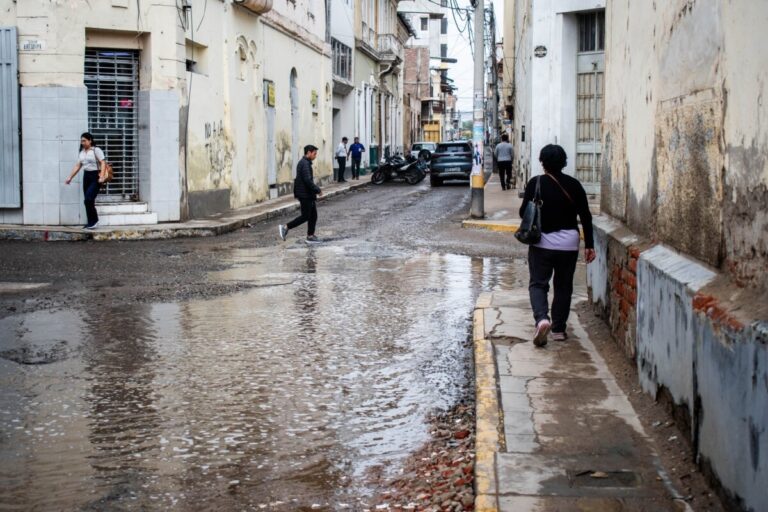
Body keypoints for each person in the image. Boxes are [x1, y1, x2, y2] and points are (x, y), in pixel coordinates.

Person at [519, 144, 595, 347]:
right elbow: (586, 216)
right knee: (563, 286)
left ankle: (542, 319)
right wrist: (590, 245)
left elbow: (523, 213)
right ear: (564, 162)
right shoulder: (574, 184)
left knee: (538, 283)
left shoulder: (535, 183)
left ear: (542, 162)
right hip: (569, 244)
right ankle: (559, 329)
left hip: (542, 242)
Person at [279, 145, 322, 242]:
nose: (315, 156)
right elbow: (307, 180)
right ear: (309, 153)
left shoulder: (305, 163)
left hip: (307, 194)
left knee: (313, 215)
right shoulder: (305, 164)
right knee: (305, 216)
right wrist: (317, 190)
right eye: (314, 154)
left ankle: (310, 236)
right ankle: (285, 227)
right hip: (305, 194)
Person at [64, 132, 107, 229]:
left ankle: (94, 221)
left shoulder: (96, 150)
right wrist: (70, 177)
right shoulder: (82, 152)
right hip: (86, 176)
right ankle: (90, 222)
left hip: (96, 175)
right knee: (87, 201)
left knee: (89, 198)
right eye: (81, 141)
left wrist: (102, 176)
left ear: (90, 140)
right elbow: (78, 165)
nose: (82, 142)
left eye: (84, 140)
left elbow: (103, 162)